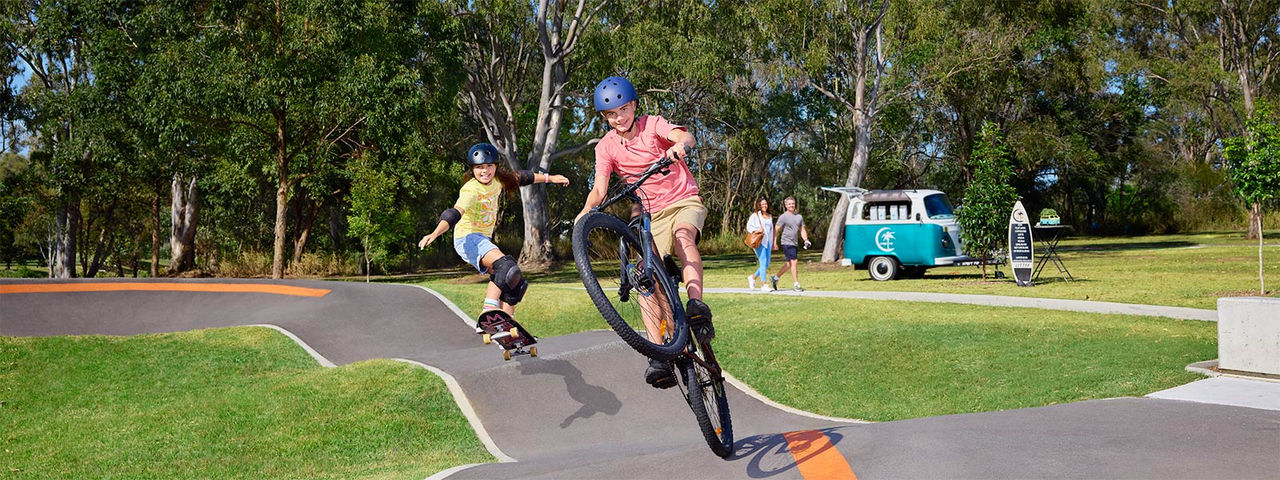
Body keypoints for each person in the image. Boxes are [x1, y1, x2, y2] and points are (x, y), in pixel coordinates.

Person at [576, 75, 712, 389]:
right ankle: (658, 354)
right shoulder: (606, 147)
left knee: (683, 238)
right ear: (604, 118)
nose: (618, 118)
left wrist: (679, 145)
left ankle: (696, 307)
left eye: (623, 110)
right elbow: (598, 190)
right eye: (610, 114)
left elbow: (685, 136)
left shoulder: (653, 125)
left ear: (634, 106)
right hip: (650, 213)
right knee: (644, 276)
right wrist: (585, 215)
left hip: (682, 199)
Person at [419, 143, 569, 332]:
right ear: (472, 169)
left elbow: (524, 177)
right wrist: (435, 232)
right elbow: (454, 213)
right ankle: (489, 314)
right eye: (479, 168)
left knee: (515, 282)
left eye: (489, 166)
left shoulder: (498, 181)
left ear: (496, 166)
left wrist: (551, 178)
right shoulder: (470, 190)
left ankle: (507, 326)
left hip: (483, 240)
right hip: (467, 238)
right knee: (506, 267)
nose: (485, 171)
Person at [771, 196, 811, 291]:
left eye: (792, 203)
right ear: (786, 205)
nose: (791, 205)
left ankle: (775, 278)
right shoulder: (783, 217)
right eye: (789, 204)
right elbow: (776, 229)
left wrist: (806, 239)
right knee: (794, 261)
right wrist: (774, 242)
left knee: (789, 264)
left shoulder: (799, 217)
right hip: (786, 242)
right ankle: (796, 284)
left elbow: (802, 230)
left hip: (794, 243)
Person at [745, 198, 774, 292]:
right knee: (763, 261)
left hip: (768, 242)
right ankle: (764, 284)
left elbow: (771, 231)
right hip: (759, 241)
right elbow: (749, 226)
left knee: (766, 264)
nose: (764, 206)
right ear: (759, 206)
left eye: (765, 204)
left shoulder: (770, 216)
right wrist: (757, 230)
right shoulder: (756, 215)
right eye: (762, 204)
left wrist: (773, 243)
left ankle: (753, 277)